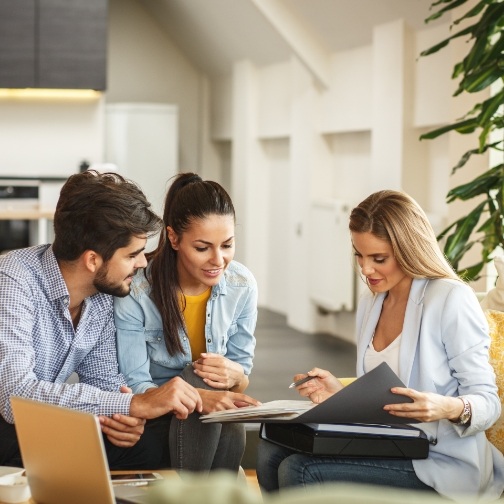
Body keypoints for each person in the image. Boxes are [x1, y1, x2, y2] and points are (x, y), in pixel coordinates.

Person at [257, 190, 504, 501]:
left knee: (301, 469)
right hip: (390, 444)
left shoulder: (450, 299)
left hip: (440, 461)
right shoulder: (372, 302)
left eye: (379, 258)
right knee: (270, 451)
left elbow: (488, 404)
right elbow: (387, 392)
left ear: (409, 250)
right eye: (359, 255)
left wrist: (447, 407)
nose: (365, 269)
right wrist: (340, 393)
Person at [0, 170, 203, 470]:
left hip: (39, 425)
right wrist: (132, 404)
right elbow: (14, 396)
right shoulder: (14, 277)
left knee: (150, 442)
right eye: (132, 254)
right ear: (93, 259)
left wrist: (123, 419)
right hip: (7, 422)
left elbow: (105, 381)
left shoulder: (104, 296)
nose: (142, 262)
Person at [114, 172, 260, 472]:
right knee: (197, 377)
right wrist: (199, 395)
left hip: (212, 414)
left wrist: (234, 376)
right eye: (203, 248)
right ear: (173, 238)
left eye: (227, 245)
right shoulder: (138, 291)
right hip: (158, 413)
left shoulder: (242, 285)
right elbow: (135, 383)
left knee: (220, 396)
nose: (218, 260)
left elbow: (241, 376)